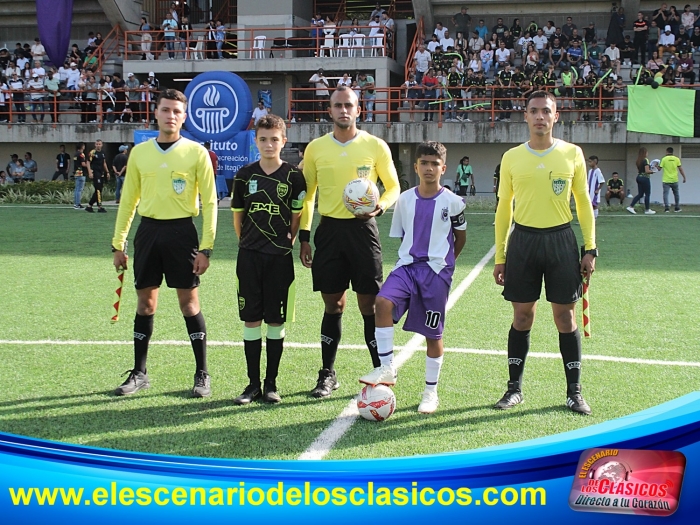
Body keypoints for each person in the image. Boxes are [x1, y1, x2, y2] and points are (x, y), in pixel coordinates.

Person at [493, 90, 597, 416]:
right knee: (522, 316)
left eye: (546, 111)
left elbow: (583, 203)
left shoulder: (572, 153)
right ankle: (514, 389)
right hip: (523, 242)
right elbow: (503, 209)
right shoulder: (511, 157)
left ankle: (574, 392)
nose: (540, 117)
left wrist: (590, 247)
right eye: (534, 111)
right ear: (525, 116)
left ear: (556, 116)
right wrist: (500, 255)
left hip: (561, 241)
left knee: (564, 317)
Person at [111, 89, 217, 397]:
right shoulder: (140, 153)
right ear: (155, 113)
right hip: (148, 233)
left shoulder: (196, 152)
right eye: (166, 110)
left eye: (176, 111)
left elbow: (210, 202)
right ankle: (139, 373)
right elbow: (128, 200)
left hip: (183, 235)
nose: (171, 116)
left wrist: (206, 247)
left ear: (184, 117)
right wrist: (118, 244)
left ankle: (201, 373)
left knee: (189, 304)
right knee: (145, 304)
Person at [299, 86, 400, 398]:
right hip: (329, 232)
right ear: (329, 111)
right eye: (338, 105)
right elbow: (308, 195)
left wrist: (380, 206)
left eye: (349, 106)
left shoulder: (375, 145)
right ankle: (327, 373)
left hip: (363, 231)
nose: (344, 110)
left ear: (359, 110)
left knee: (369, 304)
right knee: (333, 304)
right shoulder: (315, 148)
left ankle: (380, 372)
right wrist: (304, 236)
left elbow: (393, 185)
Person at [358, 141, 466, 414]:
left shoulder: (453, 202)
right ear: (416, 166)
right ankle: (386, 368)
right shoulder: (405, 199)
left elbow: (460, 238)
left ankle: (430, 393)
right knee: (382, 303)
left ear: (443, 167)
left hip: (436, 273)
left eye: (434, 164)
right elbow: (405, 236)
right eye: (424, 163)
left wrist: (444, 264)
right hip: (407, 267)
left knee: (433, 334)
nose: (429, 168)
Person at [231, 115, 307, 405]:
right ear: (256, 141)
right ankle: (251, 385)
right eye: (263, 139)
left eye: (274, 139)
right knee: (251, 320)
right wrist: (250, 243)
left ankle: (271, 383)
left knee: (275, 322)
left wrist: (285, 241)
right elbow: (238, 218)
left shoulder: (294, 177)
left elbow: (296, 216)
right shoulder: (244, 175)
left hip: (279, 258)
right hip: (249, 257)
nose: (269, 144)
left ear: (283, 141)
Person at [627, 147, 656, 214]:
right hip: (645, 178)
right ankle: (647, 209)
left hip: (639, 177)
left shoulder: (638, 160)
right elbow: (647, 171)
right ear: (645, 153)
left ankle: (631, 206)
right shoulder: (646, 160)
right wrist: (653, 171)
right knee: (647, 194)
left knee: (640, 194)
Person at [659, 146, 686, 212]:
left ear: (666, 151)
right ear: (672, 152)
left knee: (665, 194)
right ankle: (677, 207)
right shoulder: (676, 159)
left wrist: (655, 166)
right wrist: (684, 177)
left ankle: (667, 208)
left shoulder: (664, 159)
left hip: (666, 180)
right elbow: (680, 169)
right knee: (676, 194)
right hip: (674, 179)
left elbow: (659, 168)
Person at [85, 139, 109, 212]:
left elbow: (104, 163)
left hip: (101, 172)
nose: (98, 145)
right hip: (95, 173)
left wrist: (107, 172)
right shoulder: (93, 152)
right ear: (95, 145)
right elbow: (88, 162)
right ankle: (99, 207)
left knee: (99, 190)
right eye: (97, 144)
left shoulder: (102, 153)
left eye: (99, 144)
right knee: (98, 189)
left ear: (102, 145)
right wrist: (90, 172)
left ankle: (89, 206)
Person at [73, 143, 87, 209]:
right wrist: (89, 166)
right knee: (79, 189)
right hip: (81, 173)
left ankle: (76, 203)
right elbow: (83, 164)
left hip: (76, 172)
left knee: (76, 189)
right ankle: (78, 204)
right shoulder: (81, 154)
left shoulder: (75, 154)